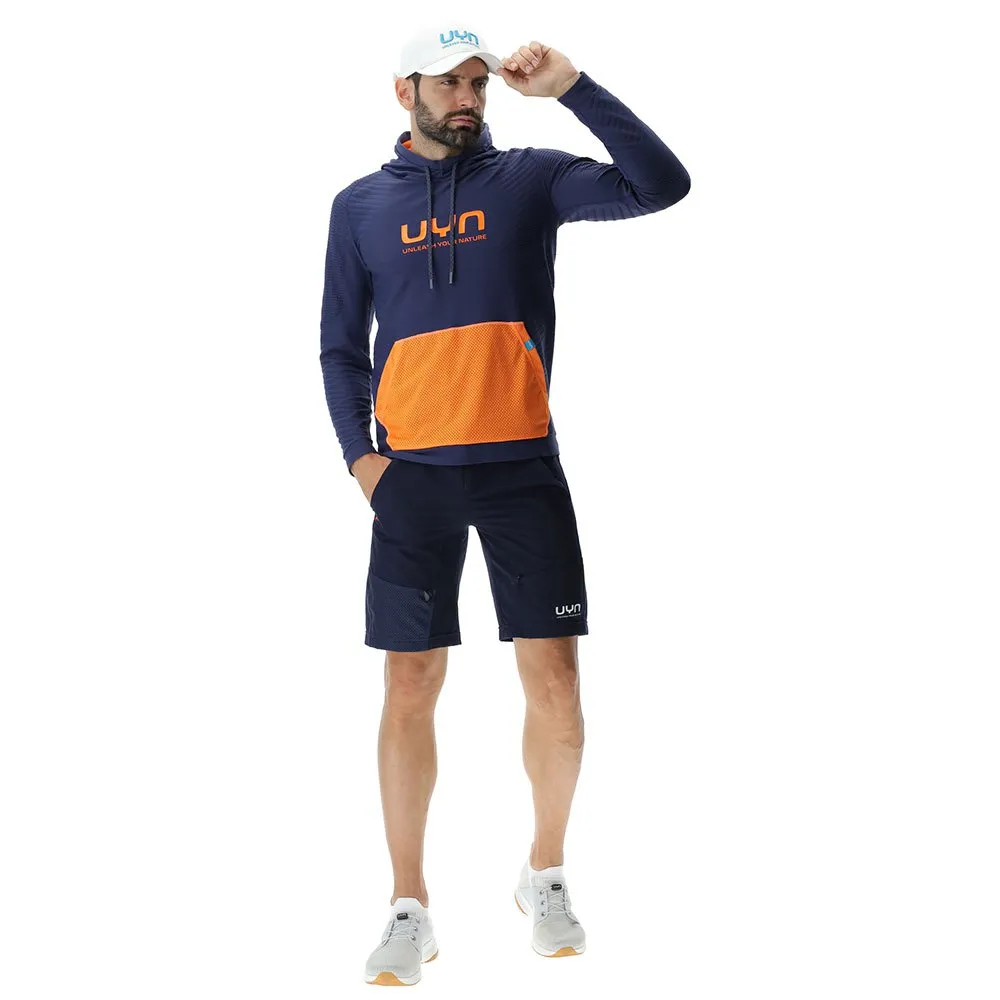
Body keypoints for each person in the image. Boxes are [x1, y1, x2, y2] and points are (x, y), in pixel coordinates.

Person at [319, 27, 690, 986]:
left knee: (557, 687)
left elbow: (661, 185)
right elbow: (340, 345)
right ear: (404, 90)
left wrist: (573, 88)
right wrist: (362, 460)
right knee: (408, 686)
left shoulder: (529, 179)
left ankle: (546, 874)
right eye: (449, 82)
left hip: (524, 468)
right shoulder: (360, 206)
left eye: (478, 82)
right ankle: (408, 905)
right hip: (411, 479)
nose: (467, 97)